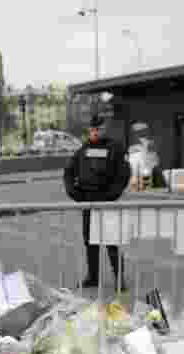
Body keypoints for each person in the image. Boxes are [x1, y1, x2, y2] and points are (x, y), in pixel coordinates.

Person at [64, 115, 131, 289]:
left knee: (111, 242)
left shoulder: (115, 148)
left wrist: (112, 195)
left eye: (98, 129)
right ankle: (93, 276)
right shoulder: (83, 150)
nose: (94, 132)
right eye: (92, 129)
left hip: (107, 202)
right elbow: (69, 172)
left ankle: (119, 278)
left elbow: (123, 174)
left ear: (104, 129)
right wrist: (74, 193)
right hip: (88, 202)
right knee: (90, 241)